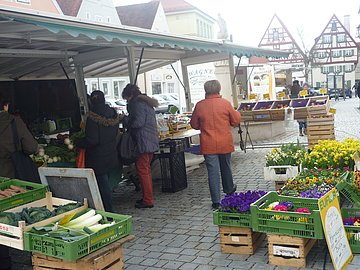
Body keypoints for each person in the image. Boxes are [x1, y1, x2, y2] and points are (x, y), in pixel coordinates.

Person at [0, 92, 38, 270]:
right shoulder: (14, 121)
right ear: (5, 105)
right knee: (22, 216)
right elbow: (31, 147)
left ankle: (4, 260)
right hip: (13, 180)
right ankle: (31, 255)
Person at [190, 80, 241, 210]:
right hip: (224, 141)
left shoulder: (200, 105)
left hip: (208, 143)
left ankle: (215, 201)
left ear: (205, 90)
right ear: (219, 89)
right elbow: (235, 121)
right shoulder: (225, 104)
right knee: (226, 167)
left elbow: (194, 125)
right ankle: (229, 189)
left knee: (212, 172)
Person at [121, 84, 159, 209]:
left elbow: (138, 123)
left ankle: (148, 200)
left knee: (143, 171)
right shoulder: (146, 102)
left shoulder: (136, 104)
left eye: (126, 98)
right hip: (151, 140)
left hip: (143, 142)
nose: (126, 101)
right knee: (146, 170)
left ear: (129, 95)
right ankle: (147, 197)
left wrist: (125, 119)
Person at [82, 90, 120, 212]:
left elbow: (92, 140)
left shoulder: (93, 117)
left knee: (102, 187)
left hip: (98, 157)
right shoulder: (113, 114)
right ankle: (107, 209)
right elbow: (115, 133)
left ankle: (108, 212)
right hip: (111, 153)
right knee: (106, 184)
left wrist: (79, 143)